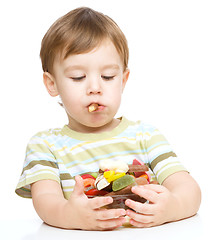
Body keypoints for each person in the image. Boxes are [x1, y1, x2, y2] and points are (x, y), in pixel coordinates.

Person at [15, 7, 201, 230]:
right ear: (52, 84)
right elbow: (45, 201)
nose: (95, 88)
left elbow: (189, 190)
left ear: (123, 80)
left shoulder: (145, 136)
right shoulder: (45, 146)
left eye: (108, 76)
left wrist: (174, 206)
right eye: (78, 77)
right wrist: (69, 215)